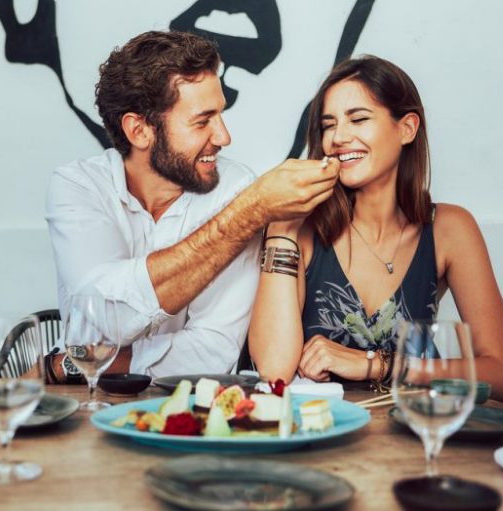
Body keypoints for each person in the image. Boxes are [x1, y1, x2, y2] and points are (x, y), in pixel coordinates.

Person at [44, 30, 339, 381]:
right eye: (202, 121)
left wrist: (71, 364)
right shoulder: (78, 187)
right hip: (83, 401)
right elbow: (109, 317)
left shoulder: (236, 189)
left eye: (220, 115)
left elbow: (212, 351)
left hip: (185, 406)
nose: (224, 136)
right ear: (139, 131)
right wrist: (249, 212)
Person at [248, 56, 503, 403]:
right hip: (321, 429)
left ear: (406, 128)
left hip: (413, 427)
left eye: (358, 119)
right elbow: (273, 371)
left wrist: (374, 365)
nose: (338, 137)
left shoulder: (450, 229)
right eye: (329, 125)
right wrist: (280, 223)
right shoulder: (299, 229)